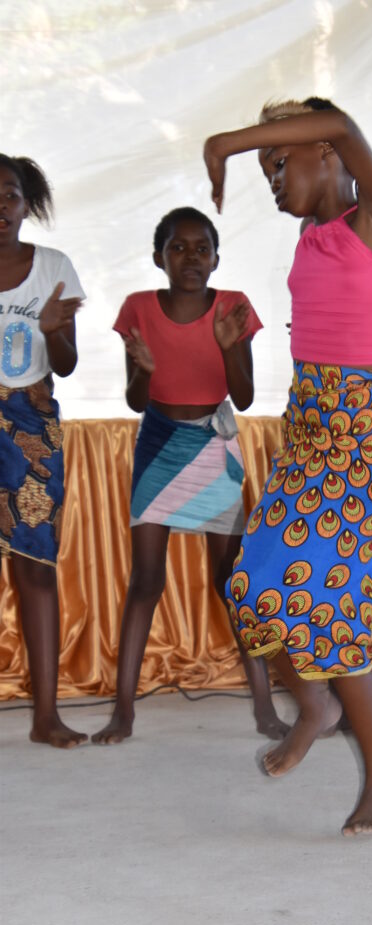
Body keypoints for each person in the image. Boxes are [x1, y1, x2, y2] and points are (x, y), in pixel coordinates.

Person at [203, 100, 372, 834]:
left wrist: (229, 140)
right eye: (263, 171)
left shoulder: (371, 221)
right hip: (309, 425)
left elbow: (339, 122)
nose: (272, 180)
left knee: (326, 598)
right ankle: (315, 703)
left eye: (281, 161)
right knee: (250, 580)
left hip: (360, 434)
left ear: (328, 158)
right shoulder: (310, 236)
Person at [91, 207, 287, 744]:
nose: (191, 258)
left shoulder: (233, 307)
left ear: (217, 258)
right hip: (158, 446)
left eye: (203, 248)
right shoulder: (137, 308)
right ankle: (123, 711)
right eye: (179, 247)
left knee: (231, 583)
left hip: (212, 446)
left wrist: (229, 347)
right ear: (159, 257)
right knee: (146, 580)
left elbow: (243, 397)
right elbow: (135, 399)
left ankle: (265, 707)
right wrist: (145, 372)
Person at [0, 154, 87, 747]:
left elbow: (67, 364)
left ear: (26, 202)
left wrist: (54, 330)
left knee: (35, 566)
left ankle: (46, 715)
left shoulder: (53, 266)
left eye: (8, 193)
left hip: (31, 424)